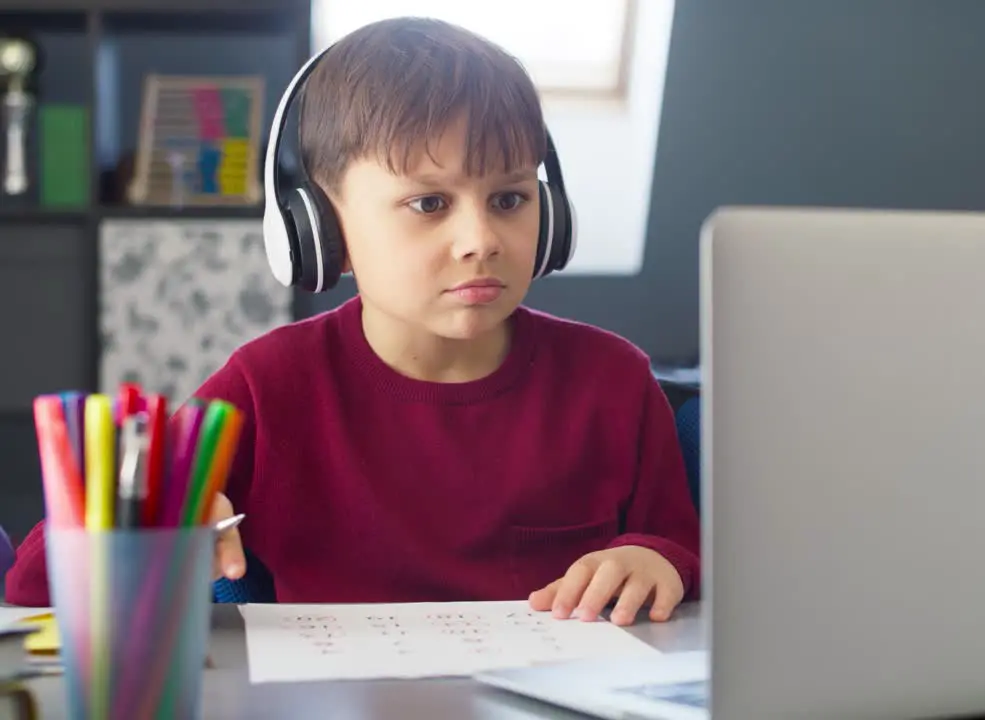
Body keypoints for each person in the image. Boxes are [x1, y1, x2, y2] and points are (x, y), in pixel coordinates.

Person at [4, 16, 700, 627]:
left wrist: (654, 559)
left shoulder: (614, 381)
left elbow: (680, 549)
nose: (480, 238)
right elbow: (32, 591)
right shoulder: (268, 386)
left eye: (510, 198)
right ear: (320, 228)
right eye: (429, 204)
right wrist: (142, 518)